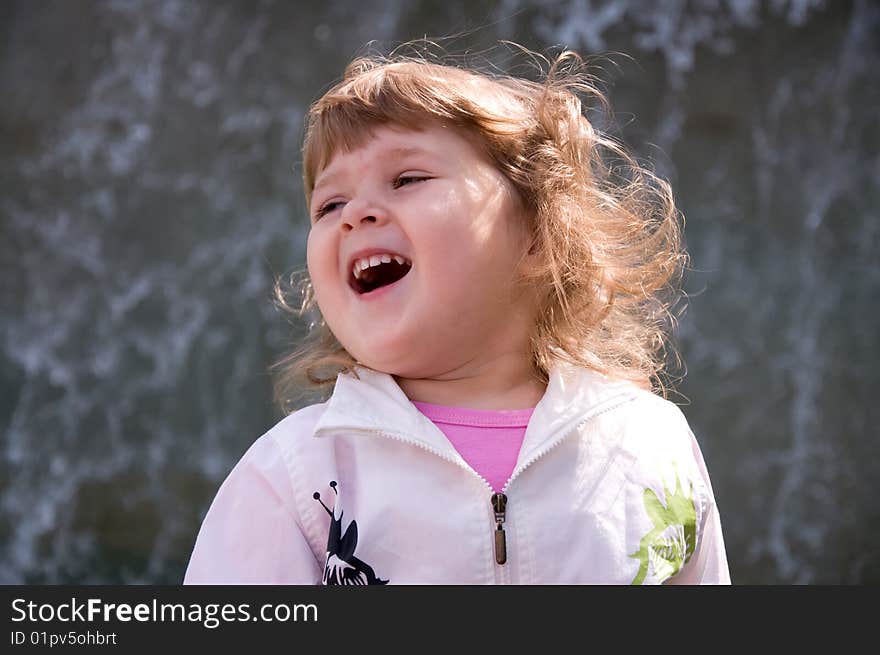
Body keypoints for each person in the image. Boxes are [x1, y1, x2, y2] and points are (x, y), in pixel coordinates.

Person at [183, 45, 730, 585]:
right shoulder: (295, 475)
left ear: (540, 235)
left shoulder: (648, 442)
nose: (355, 214)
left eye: (407, 179)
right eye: (329, 205)